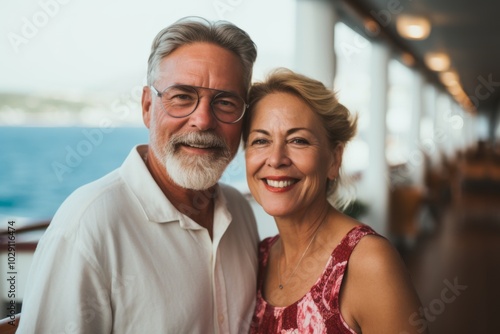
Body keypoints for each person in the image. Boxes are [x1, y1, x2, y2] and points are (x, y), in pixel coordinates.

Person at [18, 17, 259, 333]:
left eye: (225, 102)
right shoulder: (89, 226)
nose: (202, 120)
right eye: (182, 97)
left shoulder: (240, 212)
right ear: (148, 107)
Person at [242, 68, 427, 333]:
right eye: (261, 140)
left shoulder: (368, 263)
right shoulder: (257, 258)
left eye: (298, 140)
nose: (275, 158)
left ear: (334, 160)